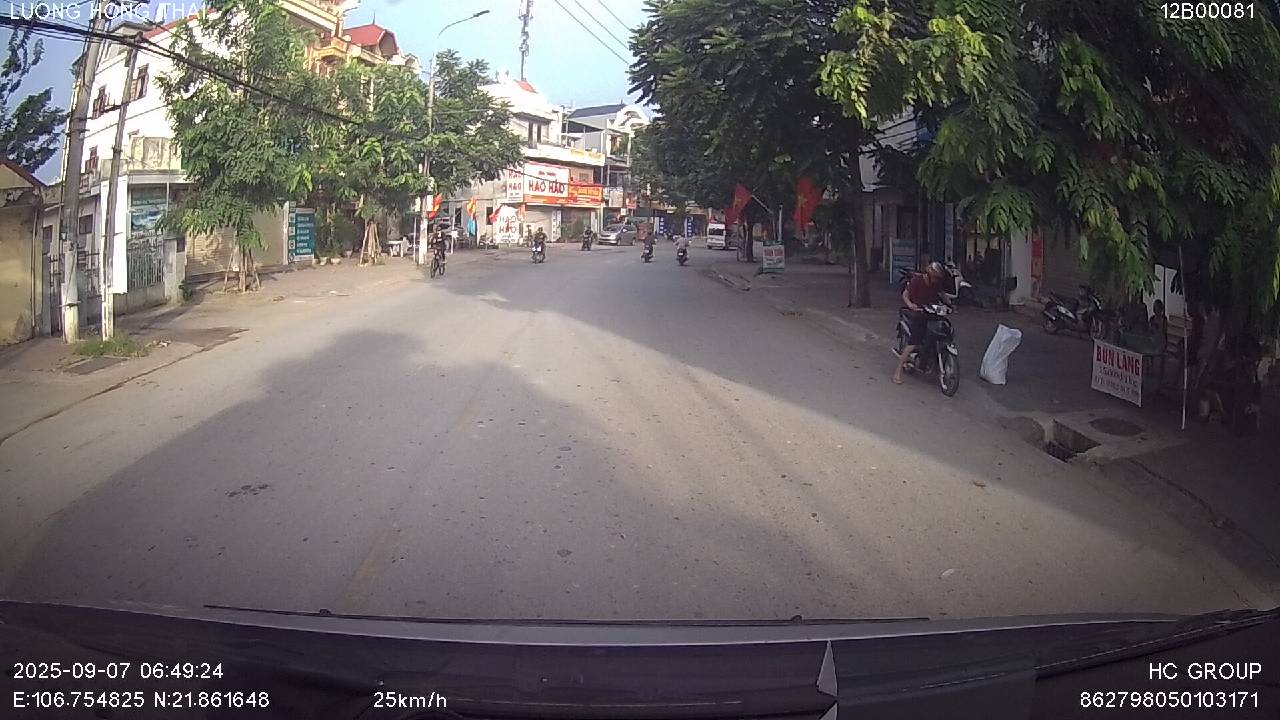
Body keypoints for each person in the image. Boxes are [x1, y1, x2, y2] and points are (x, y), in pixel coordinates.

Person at [892, 261, 948, 385]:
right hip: (919, 314)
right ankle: (897, 372)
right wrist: (911, 305)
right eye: (935, 277)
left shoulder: (936, 284)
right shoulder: (917, 280)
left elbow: (942, 294)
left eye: (937, 278)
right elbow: (905, 295)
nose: (936, 280)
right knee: (913, 343)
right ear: (929, 275)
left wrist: (950, 304)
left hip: (932, 314)